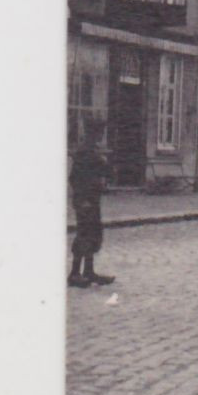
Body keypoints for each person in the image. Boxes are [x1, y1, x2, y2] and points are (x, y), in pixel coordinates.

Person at [68, 118, 114, 288]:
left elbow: (102, 172)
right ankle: (74, 274)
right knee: (84, 235)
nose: (101, 135)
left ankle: (88, 271)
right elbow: (75, 178)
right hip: (85, 200)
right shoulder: (84, 152)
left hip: (93, 199)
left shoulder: (93, 151)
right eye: (99, 132)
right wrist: (83, 199)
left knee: (93, 233)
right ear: (93, 133)